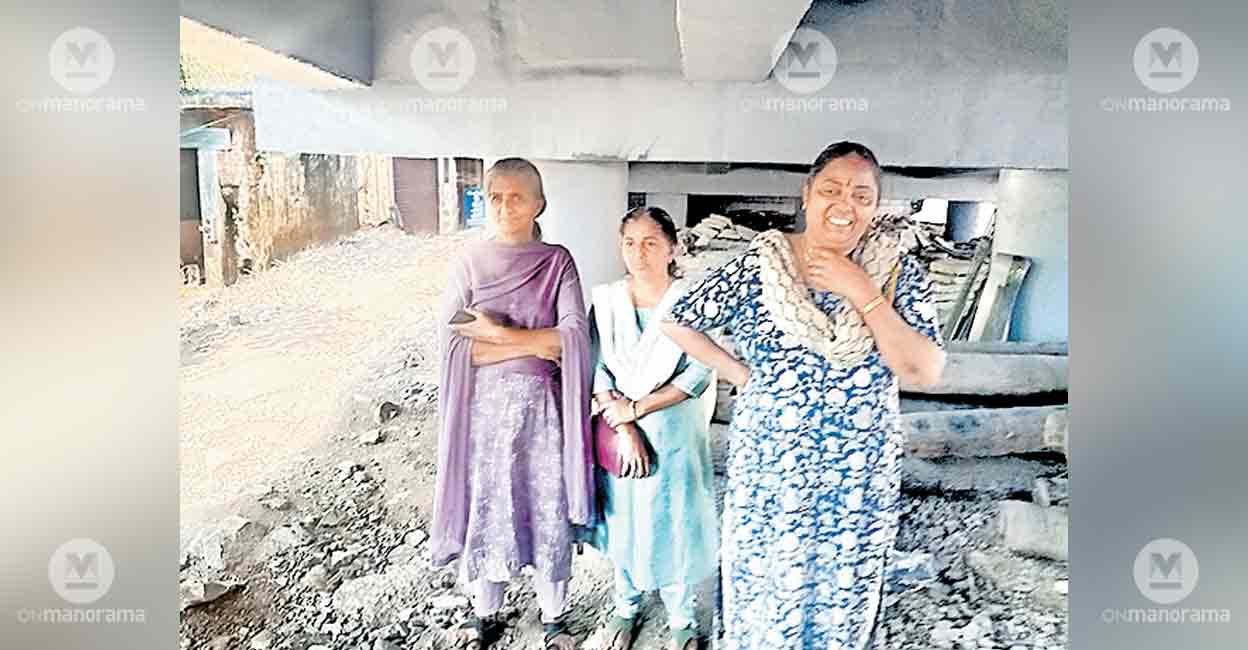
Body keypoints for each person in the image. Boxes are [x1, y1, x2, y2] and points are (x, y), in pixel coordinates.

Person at [660, 142, 946, 649]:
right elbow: (677, 320)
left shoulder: (894, 272)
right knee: (766, 597)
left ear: (876, 205)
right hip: (773, 480)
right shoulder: (760, 266)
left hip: (855, 483)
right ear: (807, 193)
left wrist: (861, 289)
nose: (844, 205)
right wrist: (738, 373)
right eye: (831, 190)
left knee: (841, 600)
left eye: (861, 194)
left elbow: (922, 370)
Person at [431, 157, 591, 650]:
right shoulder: (470, 261)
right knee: (489, 505)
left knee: (545, 504)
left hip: (542, 411)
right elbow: (455, 345)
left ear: (539, 203)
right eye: (495, 196)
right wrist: (534, 342)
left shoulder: (557, 261)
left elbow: (572, 338)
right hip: (483, 414)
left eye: (516, 196)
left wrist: (498, 333)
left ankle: (553, 615)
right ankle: (485, 614)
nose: (504, 205)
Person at [587, 207, 720, 650]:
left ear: (672, 248)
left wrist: (638, 407)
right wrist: (623, 424)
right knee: (623, 517)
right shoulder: (605, 302)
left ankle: (681, 618)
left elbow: (698, 372)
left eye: (650, 243)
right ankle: (625, 606)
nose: (639, 254)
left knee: (672, 520)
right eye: (630, 243)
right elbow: (597, 366)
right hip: (621, 428)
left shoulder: (691, 299)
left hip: (674, 429)